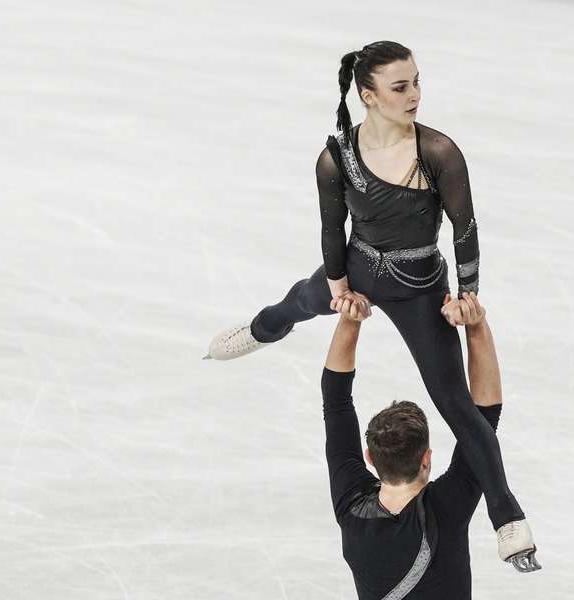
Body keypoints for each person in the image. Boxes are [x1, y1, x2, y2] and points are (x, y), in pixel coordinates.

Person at [204, 40, 536, 565]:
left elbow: (465, 229)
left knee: (454, 401)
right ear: (368, 95)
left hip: (420, 283)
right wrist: (337, 283)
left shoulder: (439, 152)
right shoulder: (337, 156)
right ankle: (261, 330)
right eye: (401, 86)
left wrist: (466, 296)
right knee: (298, 301)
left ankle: (508, 516)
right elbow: (331, 227)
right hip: (358, 268)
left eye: (417, 82)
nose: (415, 95)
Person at [322, 292, 541, 599]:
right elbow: (482, 422)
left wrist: (350, 317)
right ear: (426, 458)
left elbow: (336, 404)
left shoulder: (352, 506)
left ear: (370, 457)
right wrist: (475, 325)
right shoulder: (446, 508)